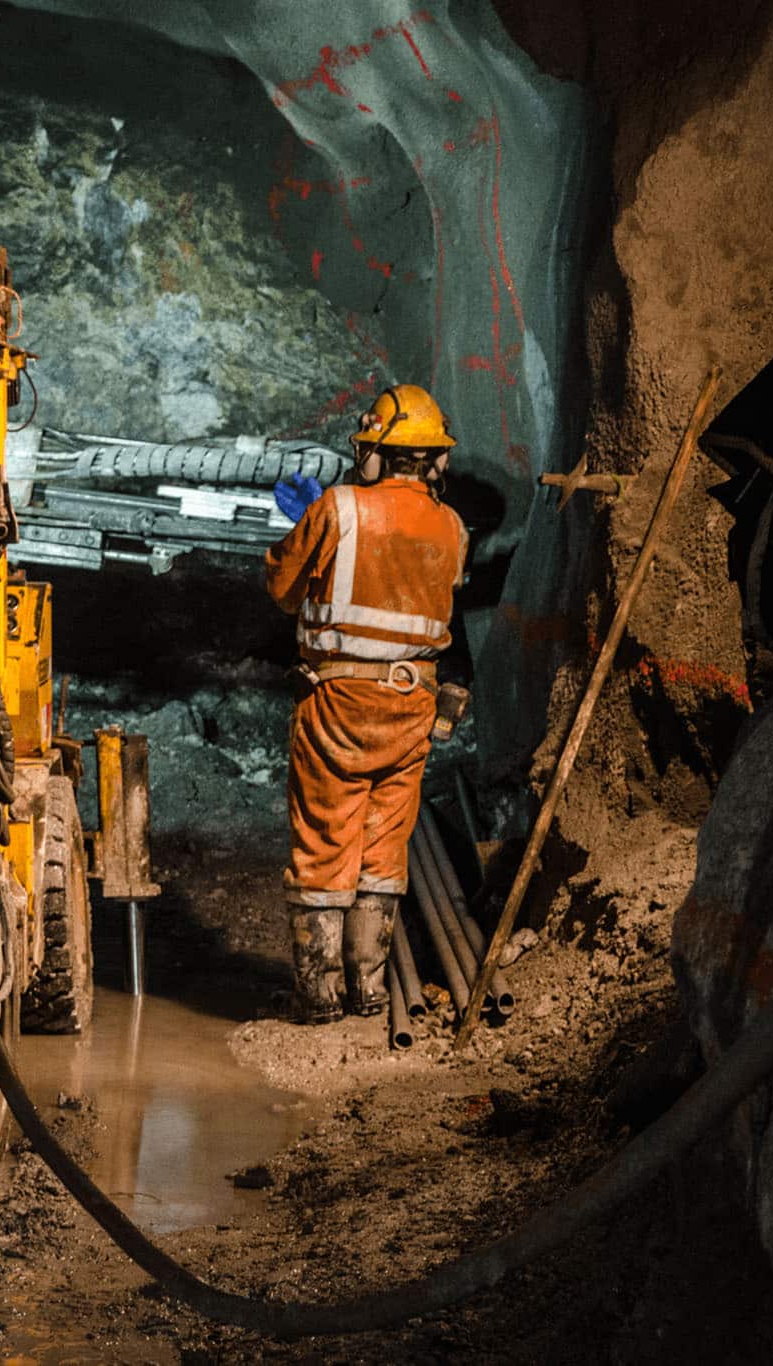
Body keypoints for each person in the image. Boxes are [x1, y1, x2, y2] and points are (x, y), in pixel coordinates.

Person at [265, 384, 469, 1023]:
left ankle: (318, 993)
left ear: (375, 453)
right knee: (385, 842)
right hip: (414, 706)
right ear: (434, 460)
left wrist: (305, 526)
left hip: (340, 703)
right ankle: (370, 987)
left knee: (327, 832)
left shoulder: (339, 509)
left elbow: (282, 590)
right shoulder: (453, 526)